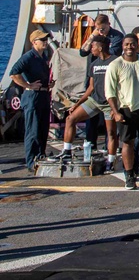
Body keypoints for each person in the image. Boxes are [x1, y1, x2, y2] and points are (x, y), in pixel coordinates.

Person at [105, 34, 139, 188]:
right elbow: (110, 92)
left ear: (137, 45)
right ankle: (130, 174)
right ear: (122, 46)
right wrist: (116, 112)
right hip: (125, 109)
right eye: (126, 44)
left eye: (132, 44)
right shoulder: (115, 65)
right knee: (127, 142)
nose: (129, 47)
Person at [63, 34, 115, 166]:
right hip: (95, 101)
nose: (91, 49)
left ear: (101, 47)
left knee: (111, 133)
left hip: (109, 104)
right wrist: (77, 104)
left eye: (93, 46)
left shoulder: (115, 62)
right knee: (70, 119)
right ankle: (66, 151)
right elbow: (91, 87)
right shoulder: (94, 64)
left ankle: (111, 160)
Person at [10, 27, 53, 172]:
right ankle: (31, 161)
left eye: (46, 39)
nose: (45, 42)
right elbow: (14, 73)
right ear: (34, 42)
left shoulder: (43, 57)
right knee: (32, 130)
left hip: (44, 95)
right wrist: (28, 85)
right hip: (32, 97)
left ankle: (40, 156)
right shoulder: (28, 57)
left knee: (42, 128)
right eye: (42, 40)